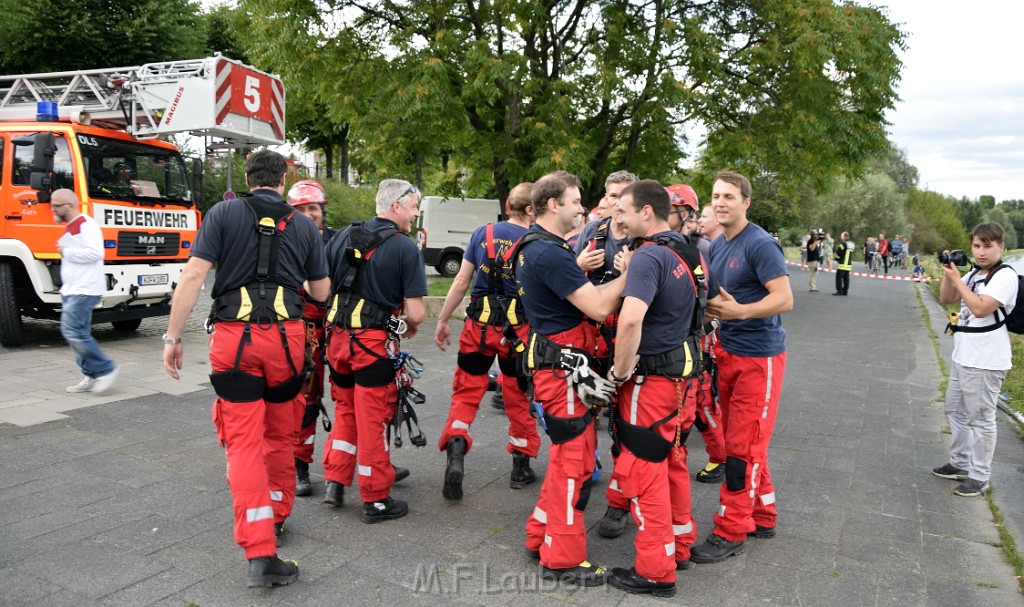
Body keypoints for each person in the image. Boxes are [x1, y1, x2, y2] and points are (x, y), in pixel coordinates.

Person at [161, 150, 329, 588]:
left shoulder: (222, 214)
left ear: (250, 178)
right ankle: (275, 517)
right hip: (287, 343)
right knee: (279, 435)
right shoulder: (305, 226)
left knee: (242, 443)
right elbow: (321, 291)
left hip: (234, 343)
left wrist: (172, 337)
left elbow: (194, 276)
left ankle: (259, 550)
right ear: (283, 177)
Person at [604, 180, 715, 596]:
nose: (617, 218)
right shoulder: (687, 250)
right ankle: (680, 545)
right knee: (672, 459)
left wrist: (619, 372)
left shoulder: (649, 256)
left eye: (623, 212)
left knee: (643, 467)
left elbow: (631, 320)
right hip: (683, 379)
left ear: (646, 213)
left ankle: (654, 569)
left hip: (651, 381)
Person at [517, 171, 627, 586]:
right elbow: (598, 308)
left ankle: (539, 534)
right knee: (573, 464)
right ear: (552, 204)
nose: (583, 208)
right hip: (563, 371)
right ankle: (562, 557)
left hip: (558, 367)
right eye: (576, 201)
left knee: (570, 457)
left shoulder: (536, 247)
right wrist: (631, 273)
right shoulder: (549, 253)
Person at [690, 171, 793, 564]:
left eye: (729, 196)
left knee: (741, 450)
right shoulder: (717, 244)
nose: (720, 202)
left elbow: (784, 299)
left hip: (759, 359)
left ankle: (730, 530)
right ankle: (763, 514)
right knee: (746, 441)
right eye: (716, 196)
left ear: (746, 202)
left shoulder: (760, 244)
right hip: (728, 353)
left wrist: (740, 312)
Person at [320, 179, 427, 522]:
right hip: (370, 345)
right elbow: (416, 313)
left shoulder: (341, 236)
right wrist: (408, 327)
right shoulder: (405, 248)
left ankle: (335, 481)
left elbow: (319, 287)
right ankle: (376, 497)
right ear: (396, 206)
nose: (415, 215)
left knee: (346, 411)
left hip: (336, 340)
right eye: (413, 207)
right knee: (371, 420)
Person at [434, 183, 540, 500]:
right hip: (517, 332)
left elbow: (462, 280)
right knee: (518, 395)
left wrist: (442, 319)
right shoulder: (535, 241)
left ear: (508, 204)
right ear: (532, 210)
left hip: (477, 326)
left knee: (466, 390)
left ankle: (456, 445)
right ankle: (520, 467)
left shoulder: (483, 233)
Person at [933, 222, 1017, 497]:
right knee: (954, 411)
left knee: (981, 420)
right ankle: (960, 462)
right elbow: (947, 298)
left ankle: (980, 477)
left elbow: (981, 309)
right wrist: (950, 275)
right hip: (963, 355)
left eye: (987, 246)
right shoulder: (972, 275)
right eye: (976, 246)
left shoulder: (1005, 276)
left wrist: (959, 280)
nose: (980, 252)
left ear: (1001, 247)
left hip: (986, 360)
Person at [574, 171, 636, 540]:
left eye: (622, 197)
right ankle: (579, 480)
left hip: (625, 338)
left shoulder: (643, 237)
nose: (614, 204)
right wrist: (579, 264)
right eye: (610, 196)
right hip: (589, 334)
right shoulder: (592, 231)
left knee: (625, 425)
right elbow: (568, 276)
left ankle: (619, 502)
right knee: (581, 414)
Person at [286, 180, 336, 497]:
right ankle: (299, 467)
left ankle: (354, 466)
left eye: (312, 208)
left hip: (342, 324)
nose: (307, 214)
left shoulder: (338, 242)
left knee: (357, 396)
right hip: (305, 329)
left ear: (322, 211)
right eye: (300, 209)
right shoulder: (283, 243)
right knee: (307, 398)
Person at [53, 189, 119, 395]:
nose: (53, 209)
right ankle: (91, 375)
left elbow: (96, 253)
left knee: (72, 331)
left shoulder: (85, 224)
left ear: (70, 205)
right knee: (77, 333)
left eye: (56, 205)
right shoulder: (73, 226)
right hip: (74, 289)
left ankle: (105, 369)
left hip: (84, 289)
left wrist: (66, 251)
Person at [692, 203, 727, 484]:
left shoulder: (701, 248)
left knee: (703, 403)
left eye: (703, 215)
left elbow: (715, 299)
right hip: (683, 340)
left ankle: (720, 456)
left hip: (697, 339)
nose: (699, 220)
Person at [834, 231, 854, 296]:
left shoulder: (843, 244)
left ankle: (839, 291)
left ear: (845, 236)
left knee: (839, 278)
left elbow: (839, 253)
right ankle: (845, 291)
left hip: (842, 264)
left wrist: (837, 258)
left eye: (842, 236)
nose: (841, 237)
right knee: (846, 278)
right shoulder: (852, 244)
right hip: (849, 264)